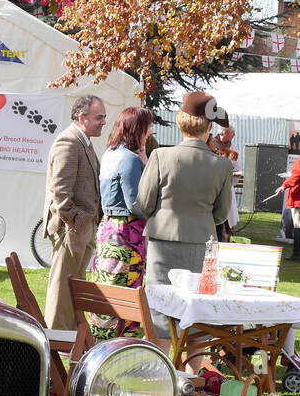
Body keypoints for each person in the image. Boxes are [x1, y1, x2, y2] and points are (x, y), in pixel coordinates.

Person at [135, 91, 234, 343]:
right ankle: (193, 379)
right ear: (209, 126)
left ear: (181, 121)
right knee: (197, 311)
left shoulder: (160, 156)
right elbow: (221, 214)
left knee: (159, 311)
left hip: (162, 240)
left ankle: (159, 376)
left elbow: (144, 204)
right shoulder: (222, 165)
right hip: (201, 241)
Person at [88, 106, 153, 338]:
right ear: (138, 129)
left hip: (109, 229)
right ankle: (122, 344)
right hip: (127, 233)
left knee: (108, 285)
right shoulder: (129, 159)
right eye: (147, 127)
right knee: (126, 292)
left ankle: (101, 339)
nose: (150, 131)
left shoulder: (110, 153)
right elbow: (136, 203)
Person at [43, 94, 106, 330]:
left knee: (73, 288)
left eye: (104, 117)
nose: (103, 122)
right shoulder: (69, 142)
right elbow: (60, 189)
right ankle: (55, 342)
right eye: (98, 117)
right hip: (72, 228)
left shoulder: (82, 141)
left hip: (82, 227)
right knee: (62, 290)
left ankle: (67, 340)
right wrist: (72, 220)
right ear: (82, 117)